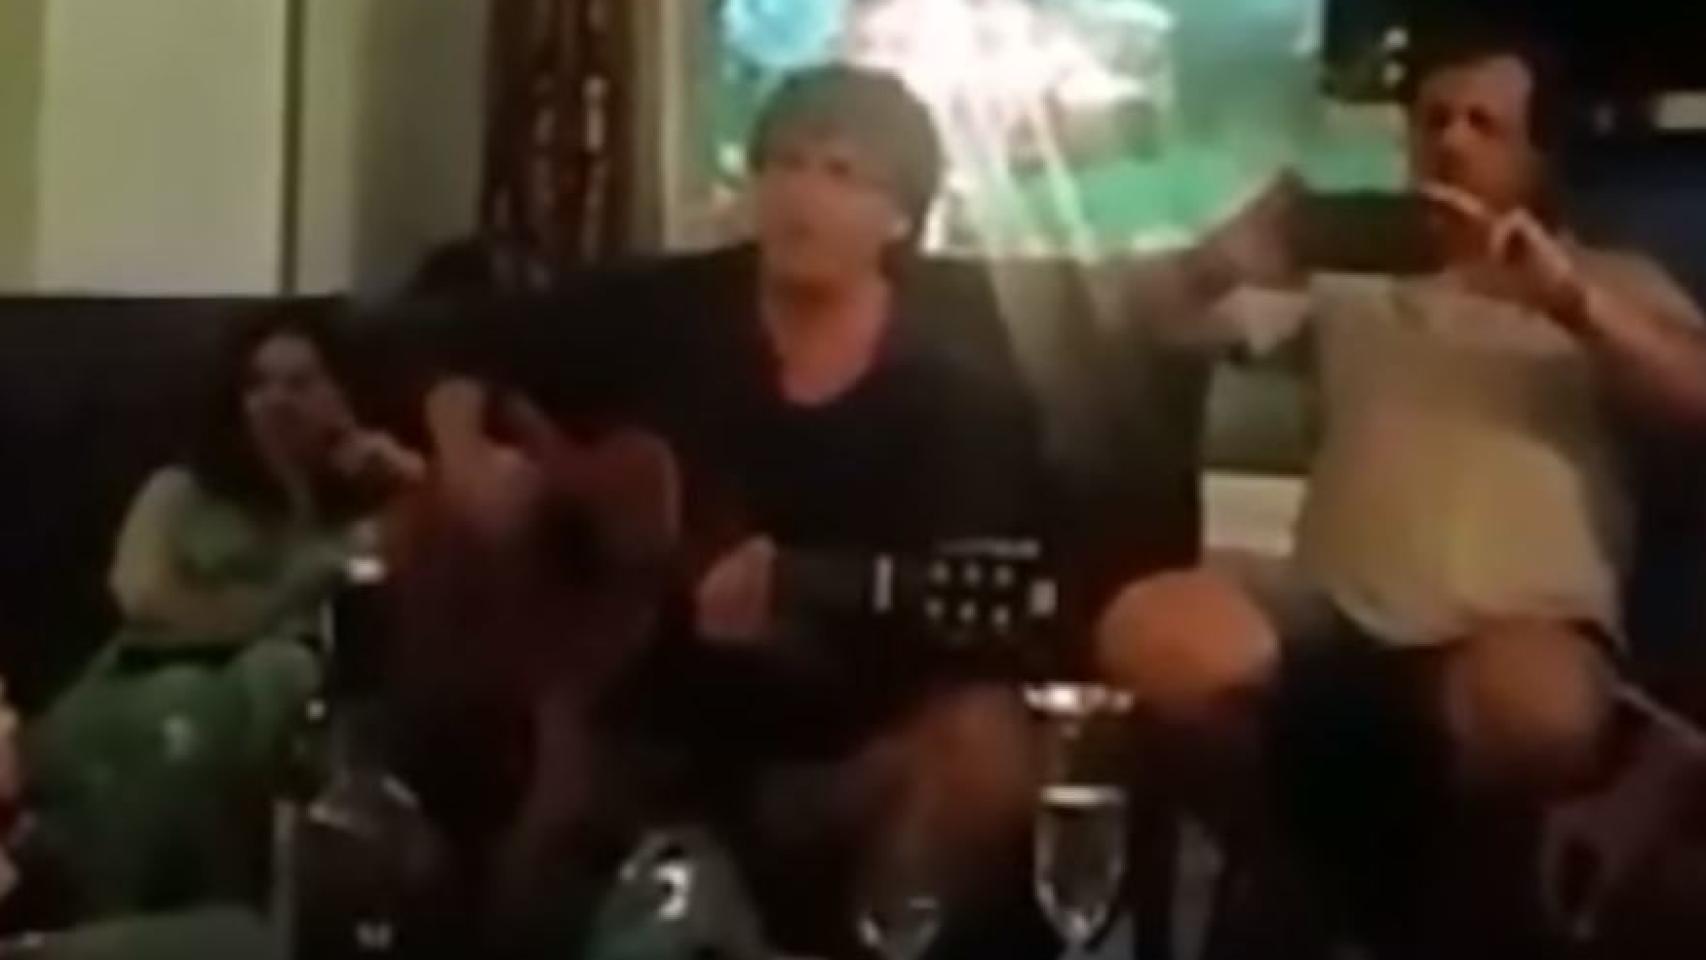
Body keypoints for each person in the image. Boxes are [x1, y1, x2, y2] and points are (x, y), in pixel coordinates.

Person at [389, 64, 1049, 956]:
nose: (800, 195)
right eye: (783, 164)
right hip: (632, 707)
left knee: (982, 747)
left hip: (838, 732)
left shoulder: (952, 383)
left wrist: (809, 586)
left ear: (899, 219)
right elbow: (450, 342)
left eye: (841, 173)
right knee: (537, 836)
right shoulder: (667, 306)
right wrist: (469, 458)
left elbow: (972, 594)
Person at [1092, 17, 1706, 952]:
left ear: (1538, 154)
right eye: (1434, 118)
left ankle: (1443, 917)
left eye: (1484, 125)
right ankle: (1294, 885)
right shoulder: (1350, 277)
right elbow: (1141, 324)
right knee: (1154, 632)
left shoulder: (1610, 282)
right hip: (1331, 615)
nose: (1451, 141)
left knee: (1536, 707)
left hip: (1519, 629)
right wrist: (1219, 258)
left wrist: (1571, 302)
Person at [26, 306, 424, 920]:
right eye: (257, 384)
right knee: (213, 699)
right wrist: (278, 605)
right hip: (148, 689)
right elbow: (144, 596)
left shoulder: (357, 515)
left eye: (300, 383)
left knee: (282, 677)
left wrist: (406, 474)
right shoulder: (179, 492)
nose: (276, 401)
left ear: (344, 397)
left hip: (287, 715)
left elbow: (444, 565)